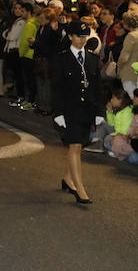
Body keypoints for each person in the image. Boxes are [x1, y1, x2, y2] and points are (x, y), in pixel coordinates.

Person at [52, 20, 101, 205]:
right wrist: (58, 112)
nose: (81, 40)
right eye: (78, 36)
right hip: (69, 110)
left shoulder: (92, 58)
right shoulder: (61, 58)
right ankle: (80, 189)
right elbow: (56, 87)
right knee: (74, 146)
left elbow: (97, 87)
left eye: (84, 37)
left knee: (79, 145)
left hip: (87, 108)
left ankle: (67, 178)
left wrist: (99, 111)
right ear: (70, 37)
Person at [117, 11, 138, 99]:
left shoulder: (131, 36)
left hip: (129, 72)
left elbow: (124, 57)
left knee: (132, 99)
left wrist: (118, 67)